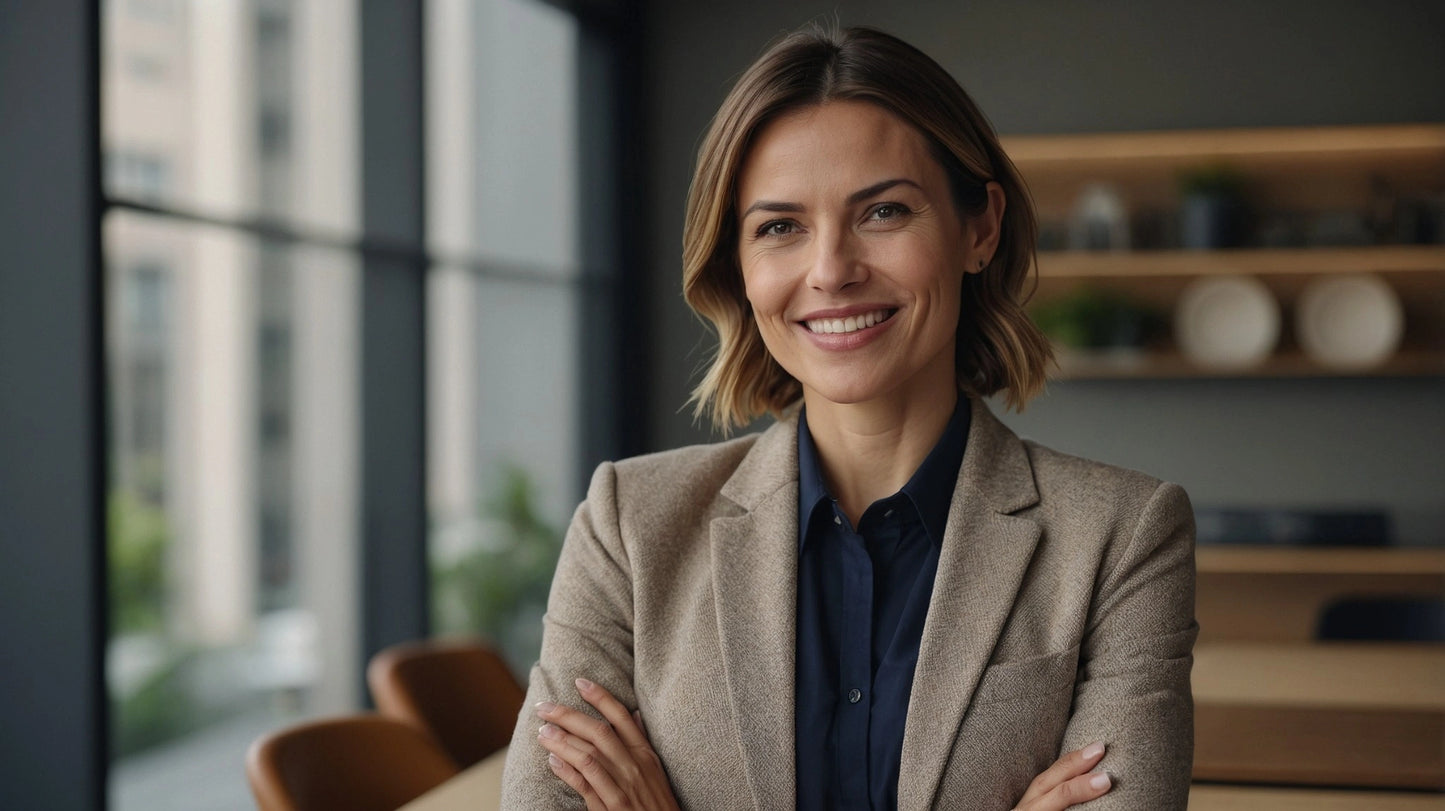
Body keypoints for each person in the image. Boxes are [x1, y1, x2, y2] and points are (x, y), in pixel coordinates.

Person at [501, 24, 1196, 811]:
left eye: (884, 212)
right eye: (779, 227)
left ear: (979, 228)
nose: (830, 270)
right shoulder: (628, 525)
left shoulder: (1123, 535)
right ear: (738, 263)